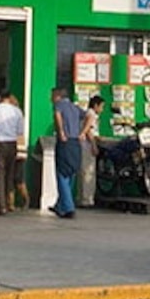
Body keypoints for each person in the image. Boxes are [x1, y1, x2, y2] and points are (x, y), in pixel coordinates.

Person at [52, 87, 83, 218]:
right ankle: (60, 205)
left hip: (65, 142)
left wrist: (61, 132)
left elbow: (57, 115)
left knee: (62, 174)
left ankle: (68, 207)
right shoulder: (75, 107)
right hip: (76, 142)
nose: (51, 98)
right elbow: (90, 116)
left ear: (58, 95)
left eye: (52, 95)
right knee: (71, 173)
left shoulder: (59, 105)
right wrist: (83, 133)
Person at [77, 95, 104, 207]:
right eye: (101, 106)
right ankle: (87, 200)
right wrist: (94, 145)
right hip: (87, 146)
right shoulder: (91, 114)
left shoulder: (86, 113)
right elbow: (88, 130)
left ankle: (81, 198)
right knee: (89, 172)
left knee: (83, 172)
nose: (102, 109)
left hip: (83, 146)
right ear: (96, 105)